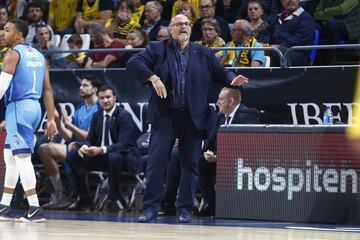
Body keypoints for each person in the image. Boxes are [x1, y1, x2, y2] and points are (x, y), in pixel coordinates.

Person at [127, 14, 248, 223]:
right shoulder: (157, 49)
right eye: (179, 24)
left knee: (190, 165)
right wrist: (152, 77)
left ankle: (184, 208)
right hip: (165, 116)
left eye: (187, 24)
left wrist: (232, 80)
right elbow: (133, 62)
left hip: (193, 117)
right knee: (156, 163)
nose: (183, 27)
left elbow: (221, 73)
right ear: (171, 28)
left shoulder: (203, 52)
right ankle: (151, 208)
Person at [0, 19, 57, 222]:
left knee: (22, 158)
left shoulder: (13, 54)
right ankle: (4, 206)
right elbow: (48, 89)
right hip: (34, 108)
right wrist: (51, 119)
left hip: (18, 108)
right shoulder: (39, 56)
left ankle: (34, 208)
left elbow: (1, 88)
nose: (2, 33)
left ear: (19, 35)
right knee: (10, 157)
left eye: (7, 30)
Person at [66, 85, 139, 212]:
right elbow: (90, 140)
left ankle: (114, 198)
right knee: (73, 155)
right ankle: (84, 199)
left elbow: (123, 145)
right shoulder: (97, 116)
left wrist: (102, 149)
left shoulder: (124, 116)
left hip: (124, 157)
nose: (105, 101)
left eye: (108, 97)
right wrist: (84, 147)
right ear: (98, 100)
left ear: (114, 98)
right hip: (103, 157)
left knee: (114, 156)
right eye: (102, 98)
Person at [38, 75, 100, 210]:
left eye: (85, 85)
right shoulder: (80, 109)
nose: (81, 88)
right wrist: (59, 122)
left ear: (94, 89)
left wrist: (69, 125)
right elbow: (69, 137)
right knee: (44, 149)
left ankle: (77, 196)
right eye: (81, 85)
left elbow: (89, 136)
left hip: (93, 148)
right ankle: (60, 193)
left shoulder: (99, 108)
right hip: (75, 147)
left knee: (51, 149)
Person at [196, 87, 259, 216]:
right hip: (218, 159)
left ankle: (228, 207)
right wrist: (205, 152)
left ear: (230, 101)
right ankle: (213, 205)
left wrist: (220, 157)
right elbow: (211, 139)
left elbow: (246, 147)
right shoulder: (220, 116)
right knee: (201, 162)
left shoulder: (247, 115)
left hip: (239, 162)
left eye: (220, 100)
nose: (217, 102)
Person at [267, 0, 316, 66]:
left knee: (280, 52)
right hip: (274, 50)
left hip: (296, 53)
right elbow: (266, 34)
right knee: (256, 49)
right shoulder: (275, 18)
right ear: (281, 2)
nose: (290, 0)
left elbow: (299, 39)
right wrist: (264, 45)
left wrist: (279, 46)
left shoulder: (306, 18)